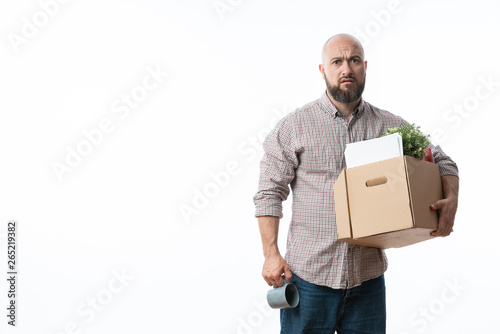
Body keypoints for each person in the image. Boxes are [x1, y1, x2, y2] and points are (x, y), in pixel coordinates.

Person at [253, 33, 459, 333]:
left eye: (353, 61)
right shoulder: (294, 126)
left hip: (367, 282)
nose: (346, 69)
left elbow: (443, 161)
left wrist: (451, 198)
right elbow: (269, 193)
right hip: (310, 280)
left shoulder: (389, 126)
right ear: (323, 70)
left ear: (364, 66)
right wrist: (271, 254)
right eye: (337, 61)